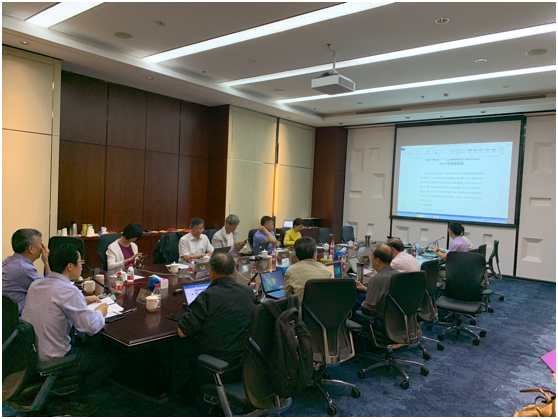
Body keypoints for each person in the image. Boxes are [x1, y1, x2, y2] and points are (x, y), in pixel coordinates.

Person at [21, 244, 114, 414]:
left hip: (30, 353)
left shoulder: (36, 284)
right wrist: (100, 312)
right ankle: (72, 401)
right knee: (109, 356)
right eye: (80, 262)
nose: (81, 266)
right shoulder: (69, 291)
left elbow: (53, 302)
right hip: (54, 358)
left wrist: (82, 301)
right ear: (70, 266)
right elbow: (89, 327)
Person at [177, 253, 258, 384]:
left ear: (211, 273)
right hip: (246, 365)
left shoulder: (207, 296)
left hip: (217, 367)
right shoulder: (248, 292)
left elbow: (182, 332)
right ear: (234, 271)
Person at [2, 229, 50, 315]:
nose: (43, 248)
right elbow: (51, 289)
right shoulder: (25, 269)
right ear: (31, 249)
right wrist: (46, 262)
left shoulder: (9, 260)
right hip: (19, 319)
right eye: (40, 243)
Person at [284, 237, 332, 310]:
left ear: (296, 255)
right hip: (324, 313)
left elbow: (287, 297)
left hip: (301, 315)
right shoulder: (326, 270)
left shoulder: (291, 271)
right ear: (314, 254)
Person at [359, 245, 399, 331]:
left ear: (377, 260)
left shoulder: (376, 279)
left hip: (381, 322)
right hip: (398, 319)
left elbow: (367, 310)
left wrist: (363, 304)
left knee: (355, 303)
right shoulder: (398, 275)